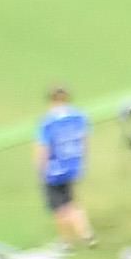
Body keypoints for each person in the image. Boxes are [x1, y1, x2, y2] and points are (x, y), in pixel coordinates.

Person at [34, 84, 91, 243]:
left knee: (59, 207)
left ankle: (65, 241)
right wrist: (82, 161)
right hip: (72, 165)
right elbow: (84, 139)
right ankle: (86, 234)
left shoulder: (48, 121)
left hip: (54, 169)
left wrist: (40, 168)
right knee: (71, 200)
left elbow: (43, 147)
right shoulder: (78, 116)